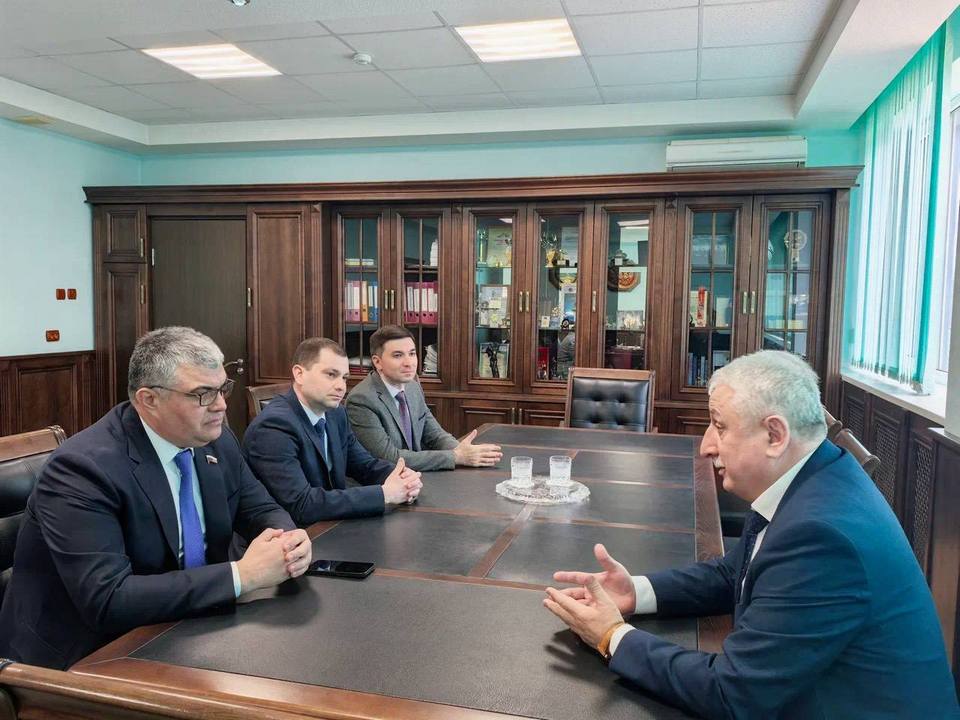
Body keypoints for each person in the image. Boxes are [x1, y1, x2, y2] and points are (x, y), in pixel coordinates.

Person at [543, 350, 959, 719]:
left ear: (775, 436)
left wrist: (612, 636)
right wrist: (635, 592)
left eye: (719, 426)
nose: (706, 446)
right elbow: (735, 573)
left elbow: (732, 694)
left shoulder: (821, 536)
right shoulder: (814, 477)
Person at [0, 327, 312, 670]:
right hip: (83, 657)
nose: (221, 405)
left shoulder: (216, 441)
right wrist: (243, 575)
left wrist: (289, 541)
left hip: (186, 628)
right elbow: (108, 599)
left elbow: (261, 508)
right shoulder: (82, 469)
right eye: (202, 394)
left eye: (223, 388)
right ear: (149, 399)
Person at [243, 337, 422, 525]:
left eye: (344, 377)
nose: (341, 386)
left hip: (332, 523)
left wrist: (402, 478)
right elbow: (301, 505)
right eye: (331, 374)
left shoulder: (336, 414)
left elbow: (364, 465)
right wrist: (384, 494)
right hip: (295, 533)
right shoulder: (273, 426)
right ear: (299, 374)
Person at [345, 325, 502, 471]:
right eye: (398, 355)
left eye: (412, 353)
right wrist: (456, 456)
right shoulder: (362, 399)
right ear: (377, 362)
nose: (409, 363)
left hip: (416, 476)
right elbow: (388, 457)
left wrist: (462, 450)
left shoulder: (412, 387)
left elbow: (435, 434)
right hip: (385, 483)